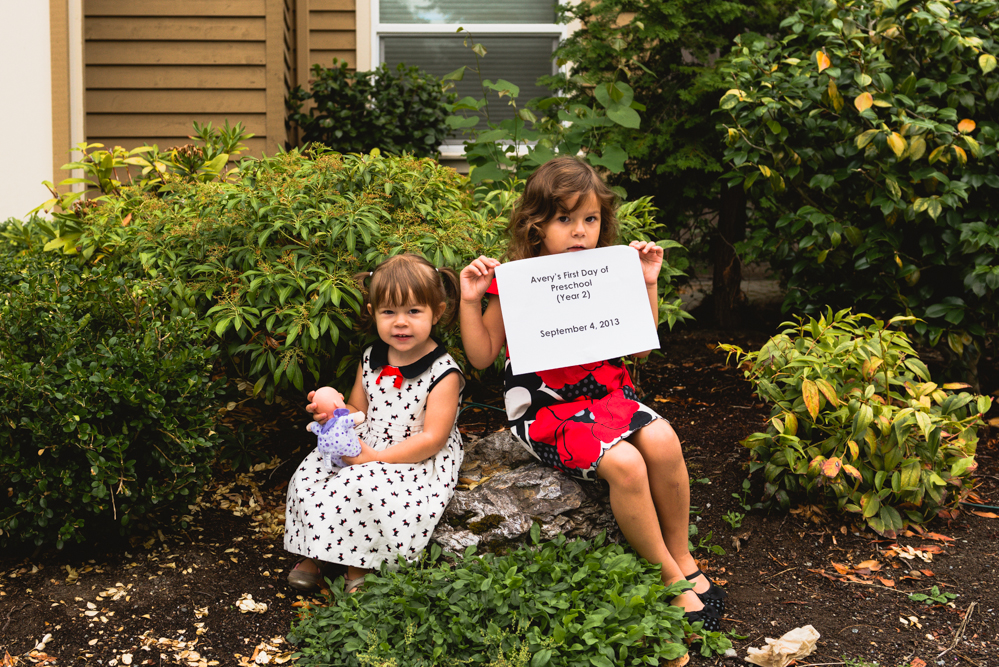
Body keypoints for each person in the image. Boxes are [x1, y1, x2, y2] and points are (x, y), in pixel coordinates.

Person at [458, 157, 725, 630]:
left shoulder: (607, 271)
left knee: (664, 440)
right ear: (536, 224)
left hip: (608, 399)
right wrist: (470, 299)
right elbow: (481, 357)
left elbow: (640, 348)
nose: (580, 231)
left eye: (591, 218)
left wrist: (647, 281)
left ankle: (681, 554)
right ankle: (668, 578)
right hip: (546, 412)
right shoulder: (517, 281)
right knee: (626, 465)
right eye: (565, 218)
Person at [284, 253, 465, 594]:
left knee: (364, 486)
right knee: (310, 476)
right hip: (367, 440)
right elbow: (358, 408)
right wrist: (334, 412)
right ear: (373, 312)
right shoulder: (371, 358)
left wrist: (376, 458)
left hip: (411, 454)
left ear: (437, 312)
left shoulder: (443, 372)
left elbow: (433, 438)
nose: (401, 323)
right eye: (389, 312)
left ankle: (359, 565)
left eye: (414, 311)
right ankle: (316, 553)